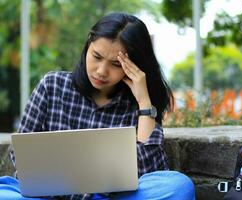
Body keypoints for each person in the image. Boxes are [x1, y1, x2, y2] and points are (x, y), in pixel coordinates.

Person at [3, 12, 195, 200]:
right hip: (49, 196)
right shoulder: (52, 85)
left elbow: (151, 173)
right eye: (96, 56)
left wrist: (145, 104)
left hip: (108, 197)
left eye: (116, 64)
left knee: (179, 186)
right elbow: (21, 154)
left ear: (134, 66)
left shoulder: (137, 104)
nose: (102, 71)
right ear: (87, 47)